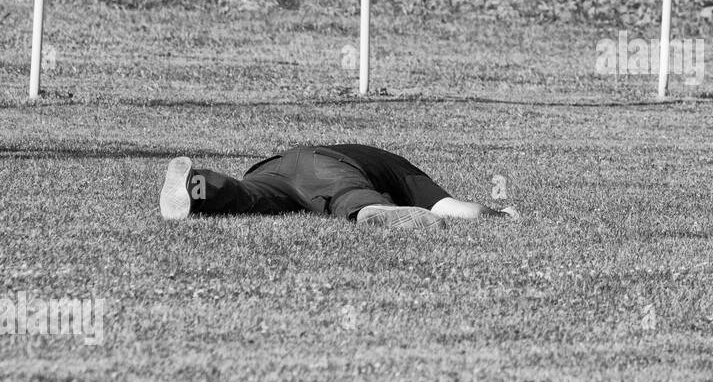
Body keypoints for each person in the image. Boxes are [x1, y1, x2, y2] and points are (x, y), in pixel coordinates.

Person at [159, 144, 516, 229]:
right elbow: (449, 207)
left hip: (275, 165)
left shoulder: (373, 154)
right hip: (330, 167)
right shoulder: (406, 172)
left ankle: (197, 186)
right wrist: (499, 214)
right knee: (348, 195)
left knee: (247, 195)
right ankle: (379, 212)